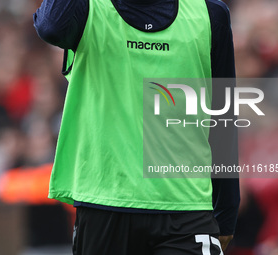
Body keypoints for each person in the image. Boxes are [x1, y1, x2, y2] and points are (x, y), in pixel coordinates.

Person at [33, 0, 240, 254]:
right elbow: (50, 26)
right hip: (104, 205)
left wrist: (226, 212)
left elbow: (223, 119)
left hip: (186, 208)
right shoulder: (87, 8)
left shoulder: (209, 13)